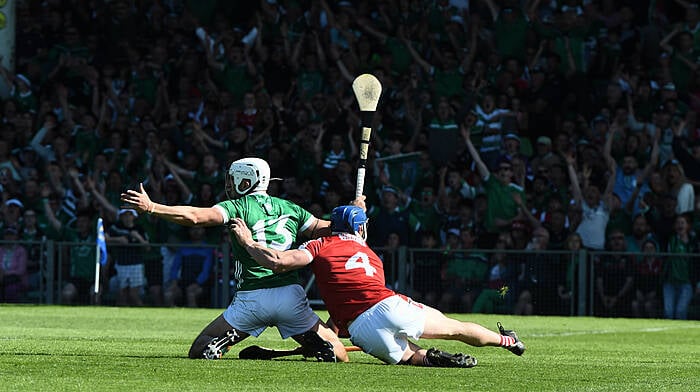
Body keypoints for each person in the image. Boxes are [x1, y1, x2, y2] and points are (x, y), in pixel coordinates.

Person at [229, 205, 525, 368]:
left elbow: (280, 261)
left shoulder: (319, 244)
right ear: (360, 228)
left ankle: (433, 358)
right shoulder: (369, 253)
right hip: (388, 306)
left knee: (409, 357)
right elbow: (353, 235)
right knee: (455, 328)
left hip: (362, 328)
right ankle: (508, 341)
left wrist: (247, 242)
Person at [121, 157, 354, 361]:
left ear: (245, 182)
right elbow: (330, 228)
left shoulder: (236, 207)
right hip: (290, 296)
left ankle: (225, 339)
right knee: (339, 352)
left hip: (251, 297)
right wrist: (356, 216)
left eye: (232, 180)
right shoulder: (290, 208)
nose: (229, 185)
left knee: (200, 346)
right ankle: (318, 345)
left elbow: (194, 217)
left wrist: (152, 207)